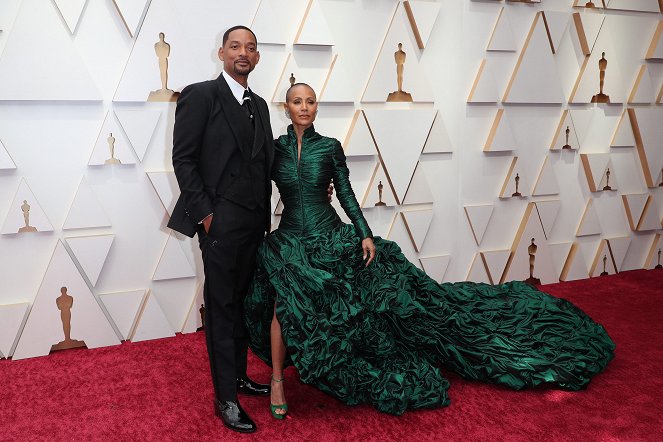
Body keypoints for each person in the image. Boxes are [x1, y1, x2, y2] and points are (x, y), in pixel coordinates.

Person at [244, 83, 615, 417]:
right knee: (284, 304)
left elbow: (344, 193)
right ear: (286, 107)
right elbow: (260, 191)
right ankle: (277, 379)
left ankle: (341, 361)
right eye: (297, 102)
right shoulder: (273, 150)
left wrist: (365, 234)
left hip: (329, 235)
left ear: (316, 107)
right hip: (290, 240)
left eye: (310, 102)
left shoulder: (329, 147)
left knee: (361, 308)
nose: (304, 107)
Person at [168, 25, 273, 434]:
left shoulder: (261, 105)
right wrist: (207, 215)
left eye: (250, 47)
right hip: (221, 223)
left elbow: (264, 163)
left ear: (257, 57)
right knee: (222, 307)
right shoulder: (201, 95)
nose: (242, 53)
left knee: (243, 304)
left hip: (254, 224)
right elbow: (184, 160)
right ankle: (225, 398)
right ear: (221, 53)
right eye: (234, 46)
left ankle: (240, 377)